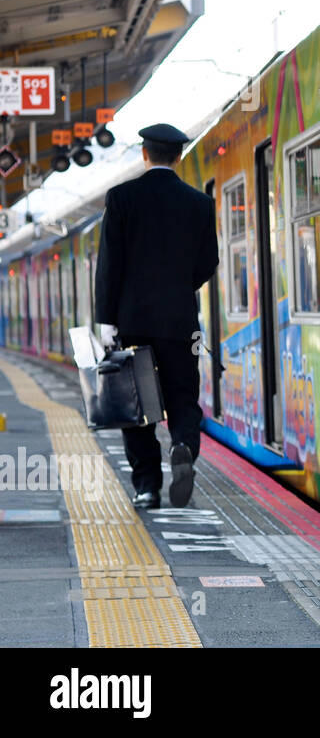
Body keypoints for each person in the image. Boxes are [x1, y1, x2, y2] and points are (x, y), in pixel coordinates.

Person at [95, 123, 219, 510]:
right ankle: (182, 445)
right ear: (178, 157)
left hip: (132, 323)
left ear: (144, 154)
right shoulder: (199, 203)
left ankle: (147, 487)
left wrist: (107, 319)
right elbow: (208, 263)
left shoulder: (121, 198)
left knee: (137, 406)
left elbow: (109, 265)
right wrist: (181, 287)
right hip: (180, 323)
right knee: (183, 395)